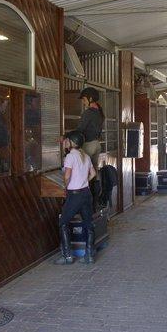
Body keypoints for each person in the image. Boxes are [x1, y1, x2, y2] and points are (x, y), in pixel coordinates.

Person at [56, 130, 97, 265]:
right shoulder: (85, 156)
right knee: (88, 224)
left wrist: (65, 187)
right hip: (86, 193)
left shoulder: (70, 157)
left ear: (71, 142)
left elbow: (67, 175)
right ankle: (89, 255)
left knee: (63, 223)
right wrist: (83, 180)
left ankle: (67, 256)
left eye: (67, 140)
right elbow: (93, 174)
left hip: (74, 195)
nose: (65, 142)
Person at [77, 87, 104, 171]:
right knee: (93, 171)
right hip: (97, 145)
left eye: (84, 100)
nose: (83, 102)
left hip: (88, 145)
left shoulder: (88, 113)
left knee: (84, 171)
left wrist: (66, 137)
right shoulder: (99, 112)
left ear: (91, 99)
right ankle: (94, 184)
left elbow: (80, 129)